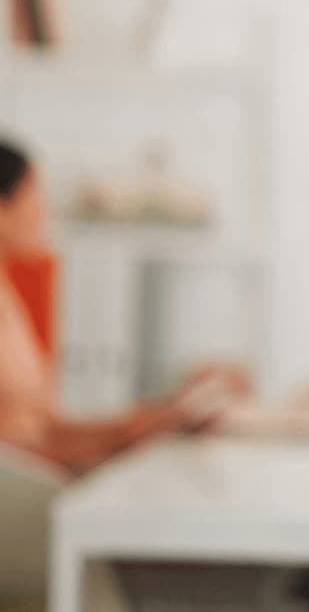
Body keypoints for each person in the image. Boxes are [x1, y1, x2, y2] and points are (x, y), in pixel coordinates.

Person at [0, 139, 239, 477]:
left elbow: (47, 430)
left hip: (35, 480)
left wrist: (155, 417)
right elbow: (21, 446)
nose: (44, 212)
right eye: (34, 195)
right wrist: (125, 434)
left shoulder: (8, 296)